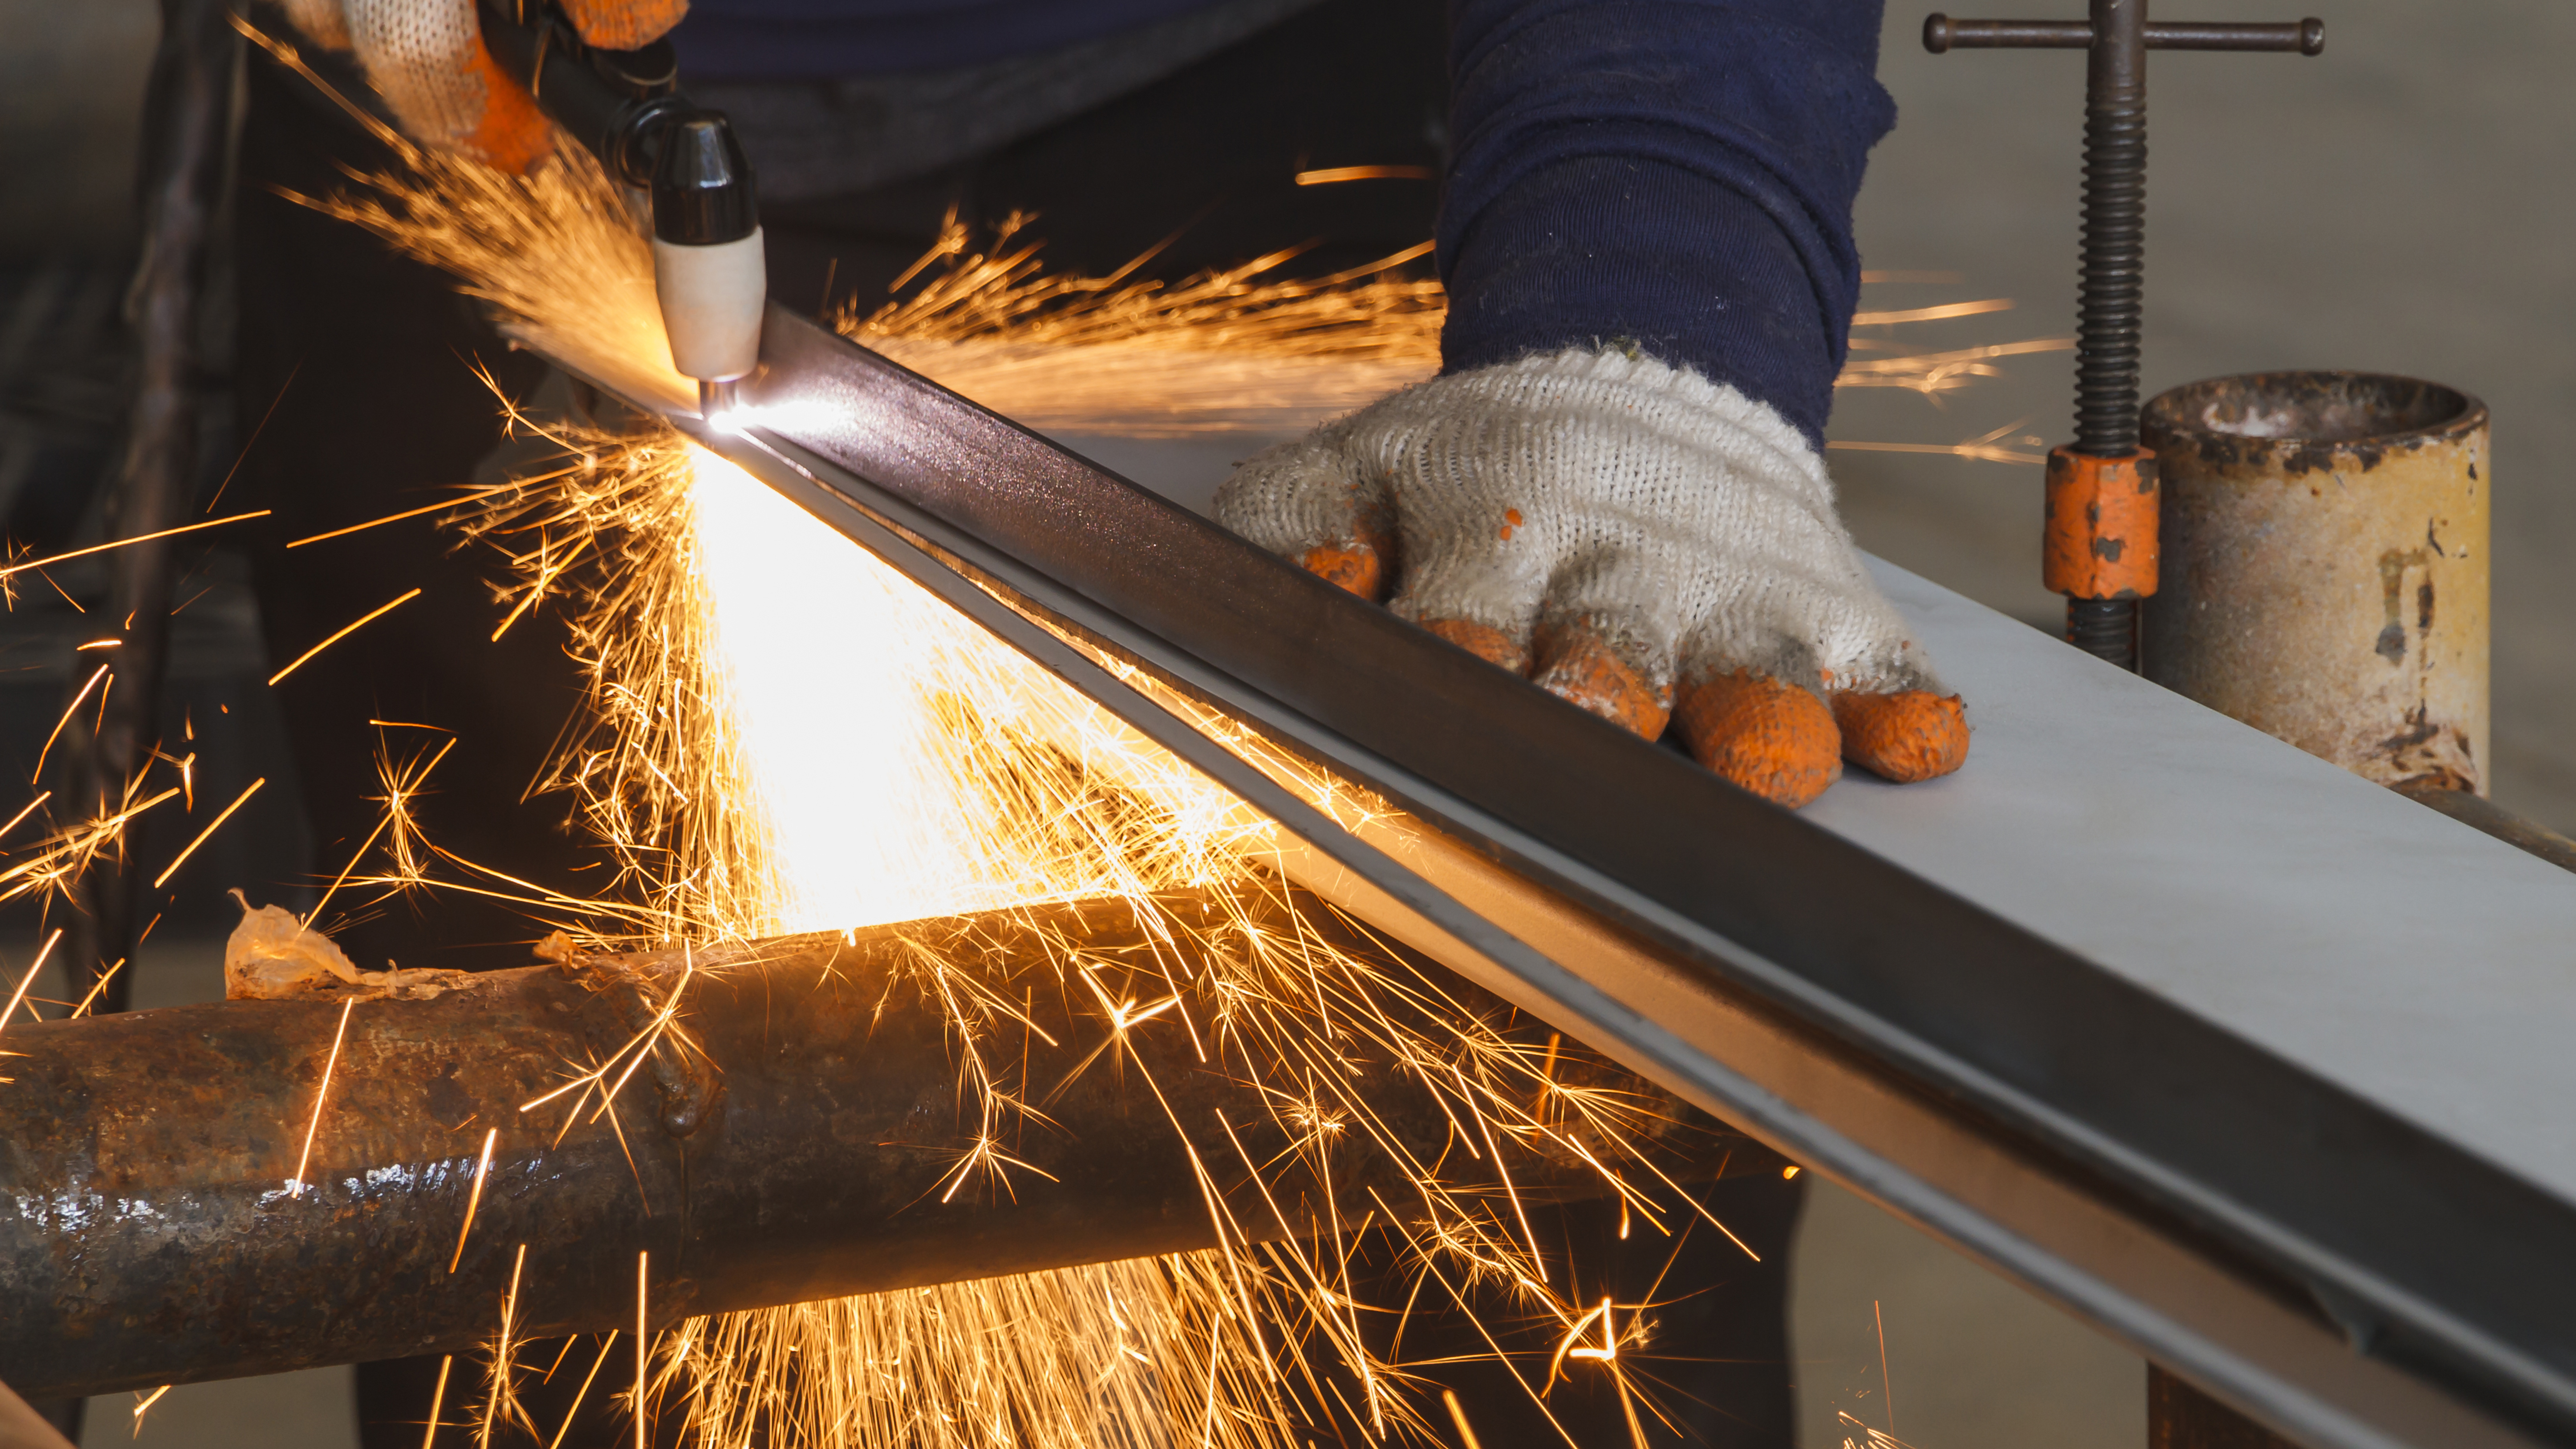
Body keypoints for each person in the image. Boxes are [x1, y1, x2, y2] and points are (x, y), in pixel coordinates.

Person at [240, 0, 1959, 1442]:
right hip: (496, 139)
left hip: (1284, 109)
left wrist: (1653, 280)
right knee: (567, 1228)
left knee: (1519, 1212)